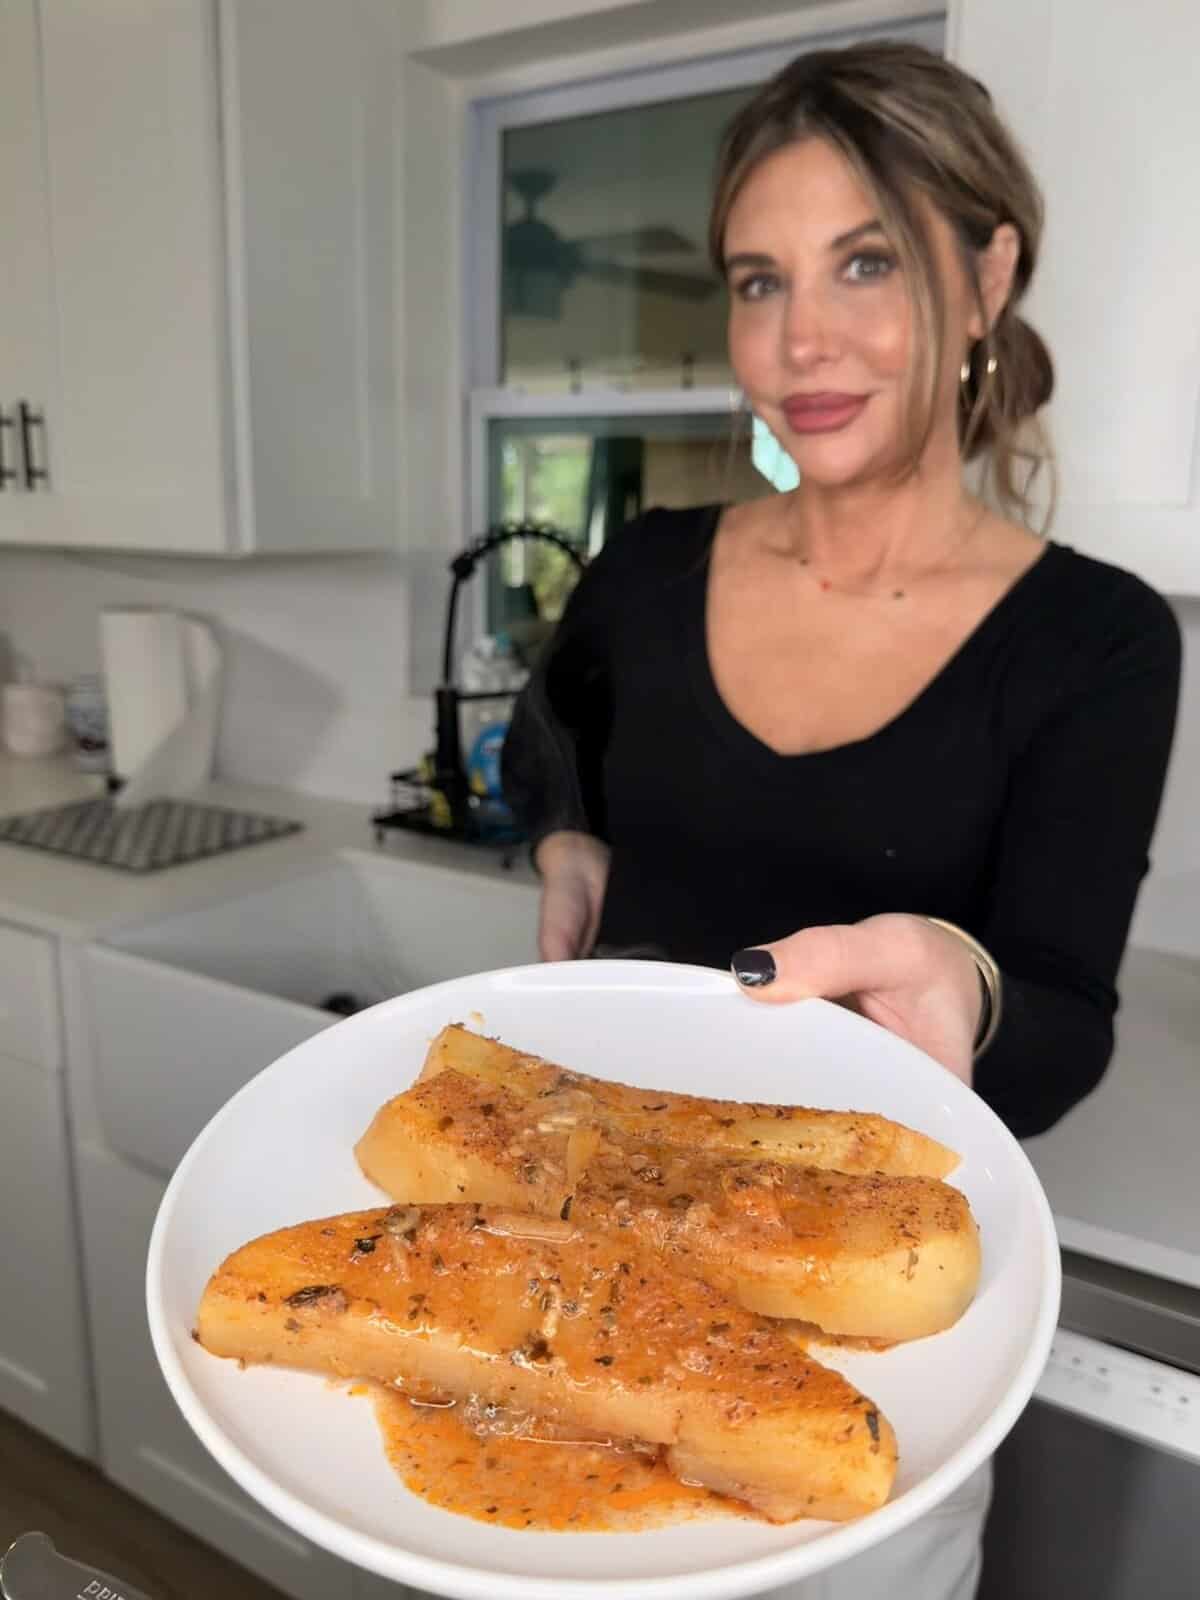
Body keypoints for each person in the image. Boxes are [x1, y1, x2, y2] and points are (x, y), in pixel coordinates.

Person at [502, 39, 1180, 1600]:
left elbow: (1065, 1018)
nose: (800, 338)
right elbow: (550, 731)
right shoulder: (653, 567)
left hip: (857, 1366)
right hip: (572, 1280)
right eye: (758, 280)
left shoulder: (1096, 642)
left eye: (864, 262)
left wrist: (965, 974)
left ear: (988, 271)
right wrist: (566, 834)